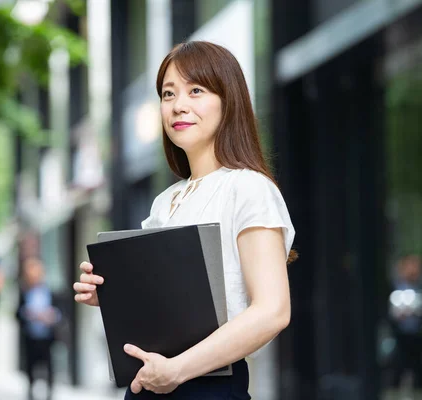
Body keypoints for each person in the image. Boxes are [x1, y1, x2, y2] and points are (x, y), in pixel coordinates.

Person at [73, 41, 297, 399]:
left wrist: (178, 370)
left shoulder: (248, 188)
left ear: (228, 100)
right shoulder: (165, 202)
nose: (179, 105)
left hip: (207, 386)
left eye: (196, 90)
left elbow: (273, 311)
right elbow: (164, 305)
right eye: (168, 93)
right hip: (148, 383)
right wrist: (112, 292)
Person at [16, 257, 63, 400]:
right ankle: (30, 393)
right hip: (31, 337)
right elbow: (17, 313)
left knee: (49, 368)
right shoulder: (24, 293)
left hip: (47, 337)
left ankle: (49, 394)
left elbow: (60, 313)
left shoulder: (51, 291)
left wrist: (51, 316)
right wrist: (28, 314)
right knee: (31, 369)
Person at [388, 254, 422, 389]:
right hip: (399, 337)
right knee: (397, 371)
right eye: (410, 266)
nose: (413, 270)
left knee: (418, 372)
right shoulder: (393, 287)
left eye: (416, 266)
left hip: (417, 336)